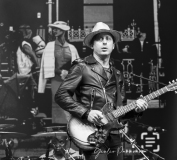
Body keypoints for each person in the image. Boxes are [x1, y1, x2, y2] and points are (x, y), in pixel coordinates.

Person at [54, 22, 149, 160]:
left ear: (113, 45)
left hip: (114, 133)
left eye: (108, 39)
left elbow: (120, 109)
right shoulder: (82, 67)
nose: (104, 42)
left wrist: (137, 110)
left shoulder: (117, 73)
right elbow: (61, 95)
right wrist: (86, 113)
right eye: (99, 39)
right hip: (91, 132)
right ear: (92, 45)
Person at [38, 21, 80, 124]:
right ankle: (59, 134)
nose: (54, 30)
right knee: (59, 104)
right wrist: (60, 71)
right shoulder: (50, 46)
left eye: (57, 28)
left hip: (70, 82)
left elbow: (79, 66)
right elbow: (45, 66)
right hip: (56, 80)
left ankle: (72, 129)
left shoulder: (72, 48)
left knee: (71, 104)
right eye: (53, 29)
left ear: (63, 30)